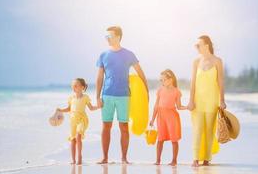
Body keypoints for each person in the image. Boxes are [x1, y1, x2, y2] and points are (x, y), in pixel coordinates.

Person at [96, 26, 148, 164]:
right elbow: (100, 77)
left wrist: (146, 92)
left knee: (124, 127)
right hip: (107, 95)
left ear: (118, 37)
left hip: (124, 95)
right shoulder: (103, 55)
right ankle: (105, 157)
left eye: (110, 36)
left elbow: (140, 73)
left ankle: (124, 158)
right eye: (106, 37)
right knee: (106, 126)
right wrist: (97, 97)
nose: (107, 39)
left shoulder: (129, 54)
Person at [187, 35, 226, 167]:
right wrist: (190, 100)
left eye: (198, 45)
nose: (196, 48)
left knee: (209, 130)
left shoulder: (217, 61)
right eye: (196, 46)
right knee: (197, 129)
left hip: (212, 101)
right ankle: (195, 159)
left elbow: (220, 81)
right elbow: (193, 82)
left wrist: (222, 100)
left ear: (206, 46)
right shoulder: (195, 62)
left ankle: (206, 159)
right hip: (198, 101)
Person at [149, 69, 187, 166]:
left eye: (164, 80)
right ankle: (158, 160)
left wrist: (187, 107)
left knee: (174, 139)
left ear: (171, 80)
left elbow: (179, 106)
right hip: (161, 116)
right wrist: (152, 119)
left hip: (172, 116)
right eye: (161, 80)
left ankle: (174, 161)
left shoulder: (177, 92)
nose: (162, 82)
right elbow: (156, 106)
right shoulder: (160, 90)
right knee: (160, 138)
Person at [57, 78, 98, 165]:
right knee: (73, 139)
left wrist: (98, 107)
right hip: (73, 121)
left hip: (82, 120)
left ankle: (79, 157)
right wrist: (60, 110)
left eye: (76, 85)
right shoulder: (71, 98)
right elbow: (69, 109)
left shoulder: (85, 97)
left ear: (82, 87)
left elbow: (91, 108)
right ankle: (73, 160)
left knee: (78, 136)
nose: (74, 87)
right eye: (73, 86)